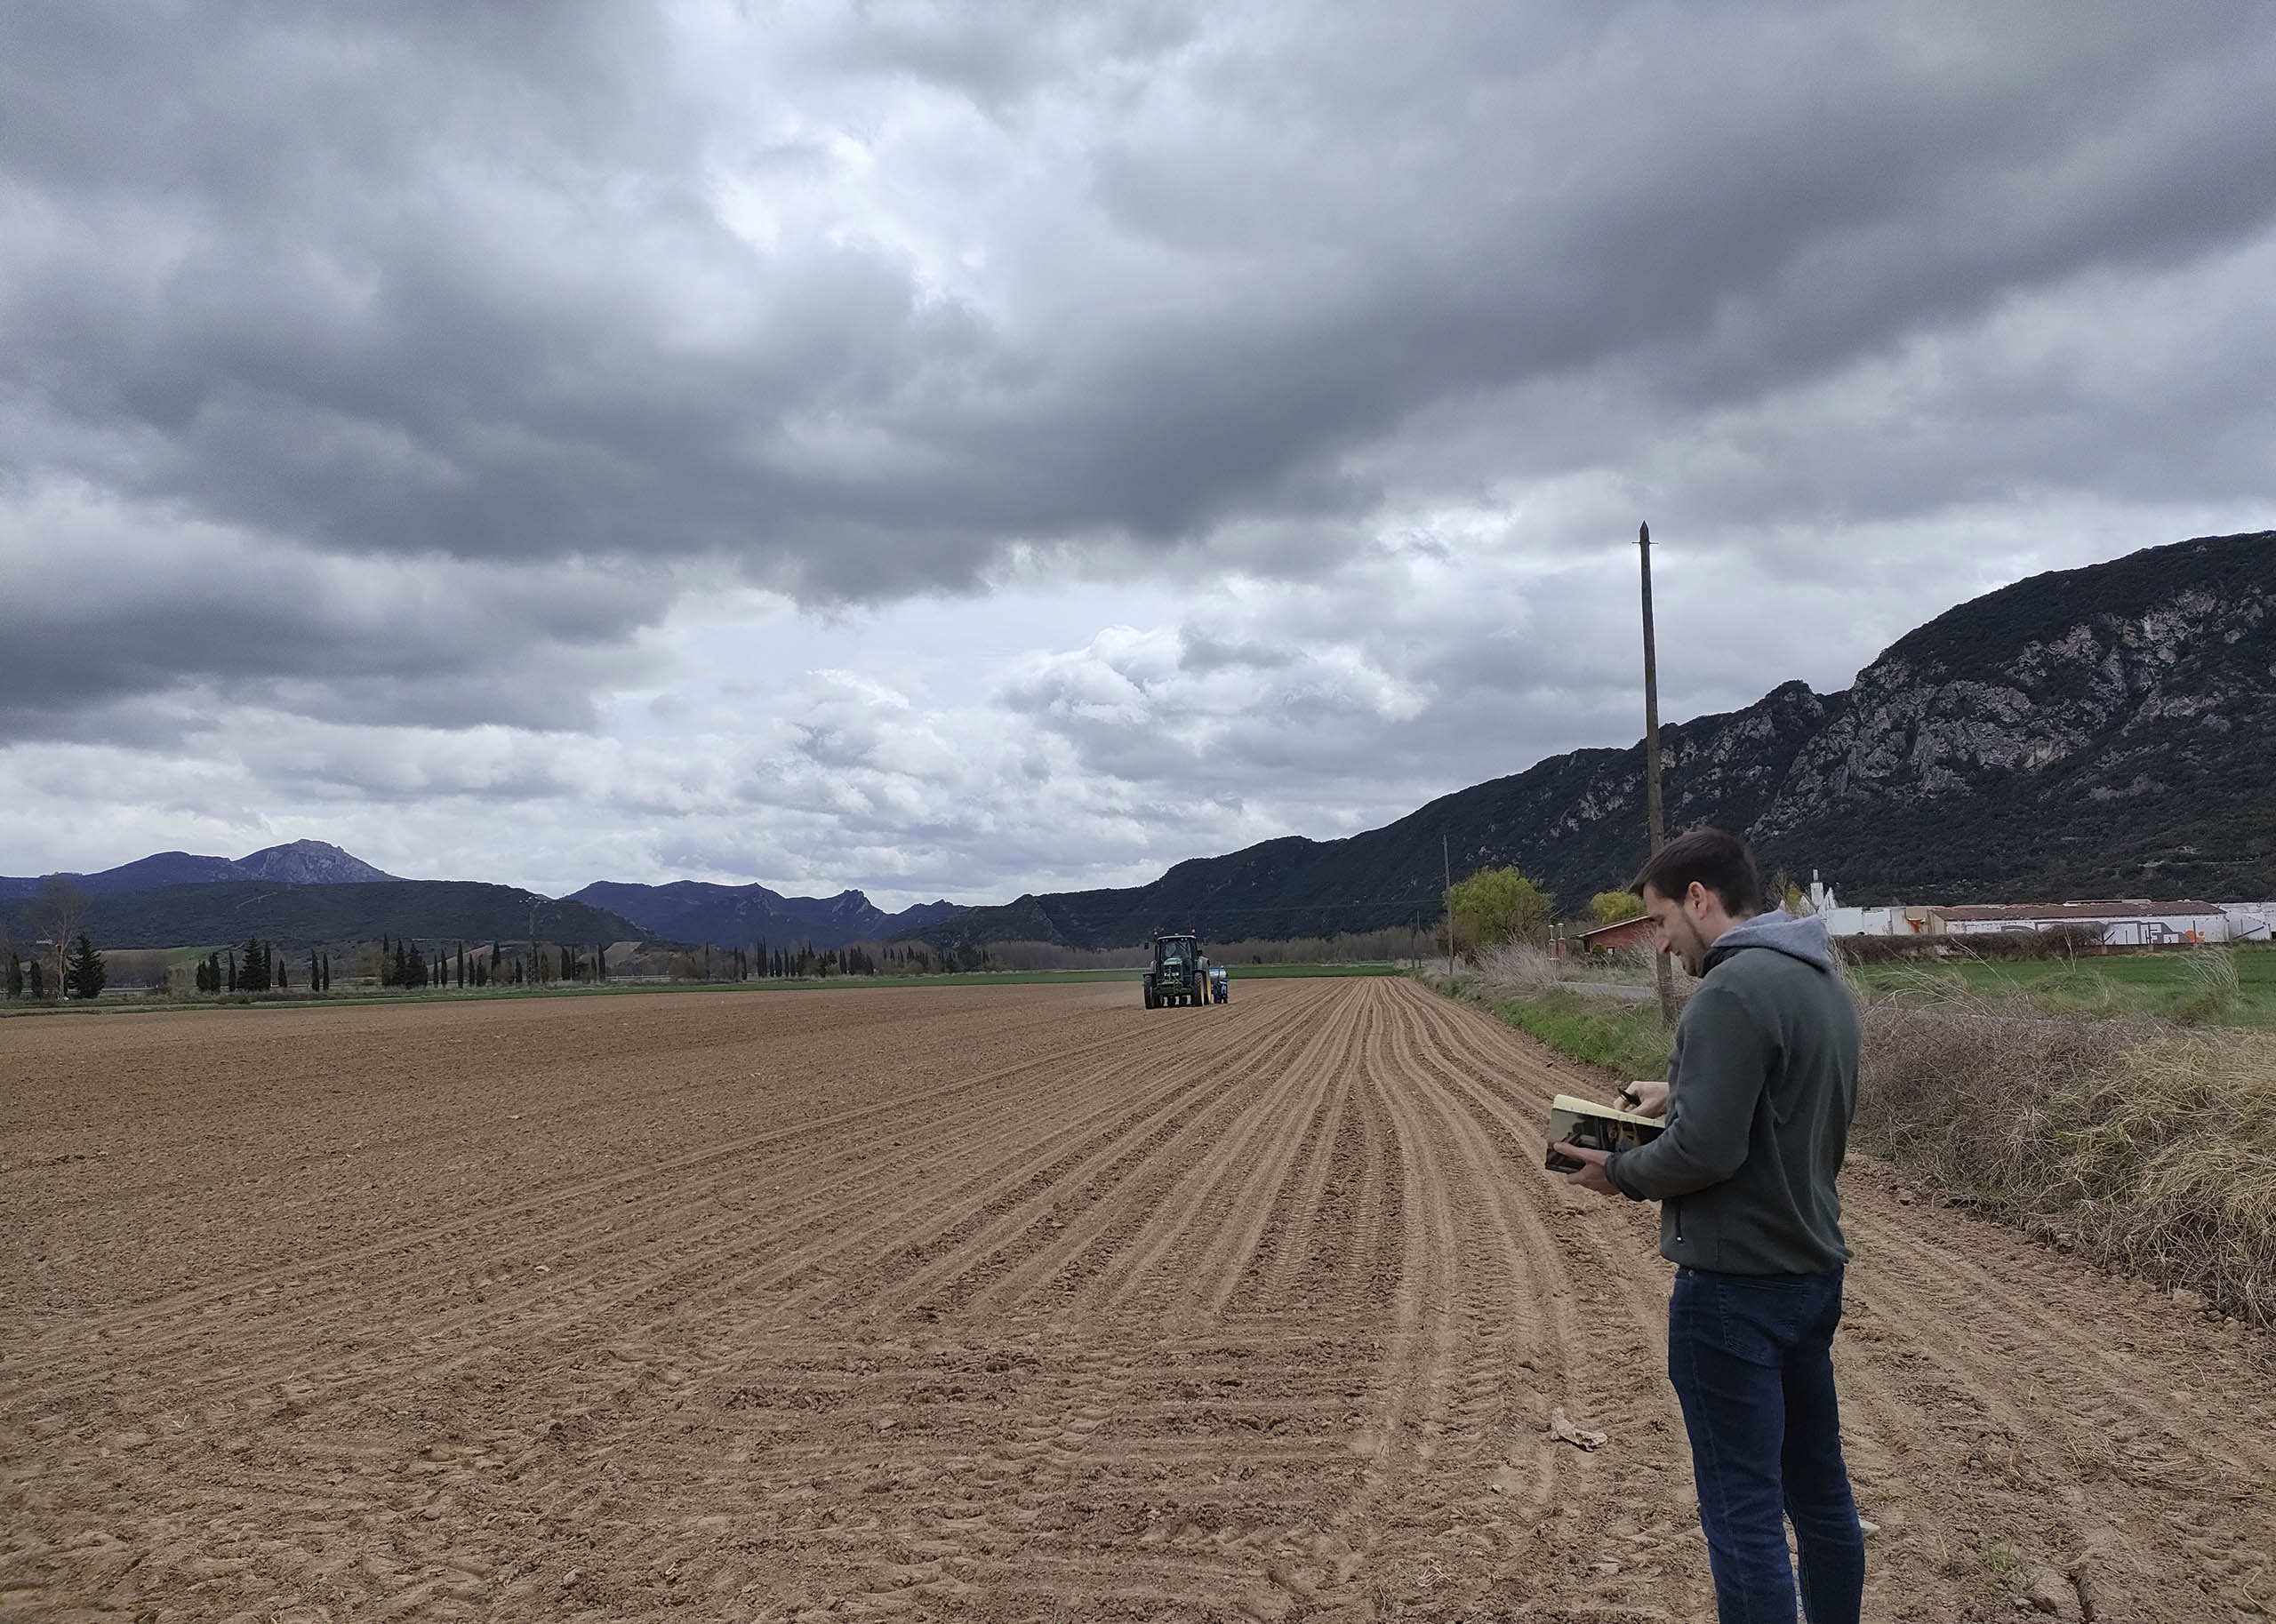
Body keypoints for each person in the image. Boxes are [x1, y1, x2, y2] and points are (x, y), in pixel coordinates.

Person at [1551, 828, 1864, 1623]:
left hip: (1733, 1290)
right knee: (1821, 1496)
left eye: (1660, 920)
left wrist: (1615, 1171)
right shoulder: (1818, 981)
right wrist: (1680, 1084)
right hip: (1810, 1271)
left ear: (1700, 898)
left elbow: (1707, 1150)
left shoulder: (1728, 991)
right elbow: (1778, 1103)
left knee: (1742, 1512)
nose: (1660, 942)